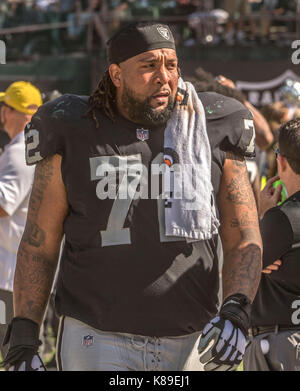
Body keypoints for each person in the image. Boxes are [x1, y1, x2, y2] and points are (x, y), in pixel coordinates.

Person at [3, 22, 262, 371]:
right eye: (148, 65)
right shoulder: (73, 127)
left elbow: (244, 236)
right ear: (116, 74)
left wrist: (237, 306)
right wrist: (24, 331)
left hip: (191, 336)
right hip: (96, 334)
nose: (164, 77)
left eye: (171, 65)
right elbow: (39, 243)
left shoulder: (209, 126)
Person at [244, 118, 300, 371]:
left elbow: (244, 269)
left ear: (283, 161)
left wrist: (263, 218)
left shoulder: (282, 219)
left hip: (282, 345)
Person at [0, 81, 42, 359]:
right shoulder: (33, 147)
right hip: (21, 272)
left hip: (10, 277)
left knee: (13, 357)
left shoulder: (20, 150)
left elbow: (2, 205)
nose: (1, 112)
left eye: (5, 107)